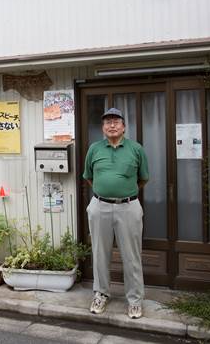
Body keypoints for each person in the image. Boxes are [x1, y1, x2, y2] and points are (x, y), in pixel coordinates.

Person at [82, 108, 149, 319]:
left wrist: (122, 193)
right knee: (100, 253)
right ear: (103, 127)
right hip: (99, 205)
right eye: (107, 122)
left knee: (132, 256)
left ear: (124, 126)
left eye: (116, 121)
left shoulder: (136, 149)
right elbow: (89, 177)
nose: (112, 125)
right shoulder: (94, 149)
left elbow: (143, 179)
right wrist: (106, 192)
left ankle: (135, 300)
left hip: (128, 207)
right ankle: (101, 294)